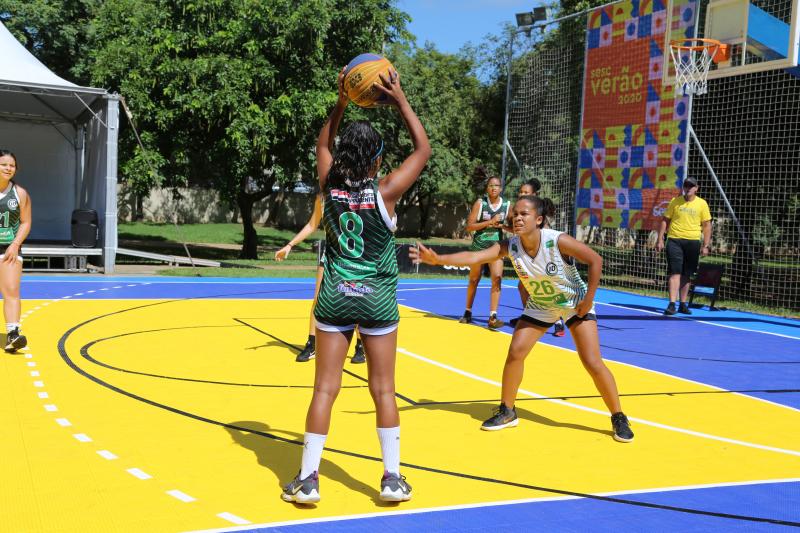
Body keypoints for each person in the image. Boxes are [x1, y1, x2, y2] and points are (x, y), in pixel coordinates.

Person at [281, 67, 430, 504]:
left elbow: (323, 143)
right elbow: (423, 148)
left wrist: (343, 98)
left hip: (335, 298)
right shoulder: (387, 191)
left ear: (344, 154)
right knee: (383, 389)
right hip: (378, 299)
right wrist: (400, 99)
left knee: (325, 389)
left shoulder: (329, 185)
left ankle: (309, 480)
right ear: (379, 160)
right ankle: (391, 478)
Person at [411, 195, 634, 443]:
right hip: (542, 304)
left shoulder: (556, 240)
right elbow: (476, 257)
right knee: (515, 352)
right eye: (515, 213)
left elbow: (595, 260)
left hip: (573, 303)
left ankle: (618, 415)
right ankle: (508, 410)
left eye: (524, 214)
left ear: (538, 219)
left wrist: (589, 299)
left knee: (592, 362)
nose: (517, 217)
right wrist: (439, 259)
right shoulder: (510, 246)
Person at [274, 195, 366, 364]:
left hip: (353, 257)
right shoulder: (322, 197)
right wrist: (290, 245)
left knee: (355, 301)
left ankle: (360, 346)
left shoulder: (357, 195)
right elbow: (311, 225)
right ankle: (312, 344)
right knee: (318, 299)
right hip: (331, 255)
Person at [507, 180, 565, 337]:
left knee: (550, 289)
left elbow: (540, 233)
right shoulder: (521, 211)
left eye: (526, 192)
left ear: (534, 195)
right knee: (523, 287)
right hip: (530, 256)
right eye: (521, 191)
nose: (522, 194)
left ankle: (558, 321)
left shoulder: (536, 212)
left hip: (544, 256)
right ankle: (531, 316)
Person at [457, 169, 510, 330]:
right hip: (479, 247)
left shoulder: (507, 205)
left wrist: (502, 225)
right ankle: (467, 311)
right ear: (487, 188)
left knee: (497, 279)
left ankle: (493, 316)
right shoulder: (481, 203)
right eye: (491, 185)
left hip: (496, 248)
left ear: (501, 188)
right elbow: (469, 226)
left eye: (497, 185)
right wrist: (489, 222)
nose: (494, 188)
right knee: (474, 279)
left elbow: (514, 227)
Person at [655, 176, 712, 315]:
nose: (688, 188)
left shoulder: (702, 204)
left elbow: (707, 225)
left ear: (696, 188)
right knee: (675, 272)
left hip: (693, 242)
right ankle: (672, 304)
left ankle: (683, 304)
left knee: (687, 275)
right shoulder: (675, 201)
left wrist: (706, 245)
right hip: (674, 240)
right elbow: (665, 220)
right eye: (686, 185)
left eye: (691, 186)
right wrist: (660, 239)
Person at [0, 150, 31, 353]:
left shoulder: (19, 193)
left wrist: (15, 244)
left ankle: (13, 333)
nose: (8, 168)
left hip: (8, 246)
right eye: (4, 164)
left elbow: (26, 222)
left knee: (11, 289)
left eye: (12, 165)